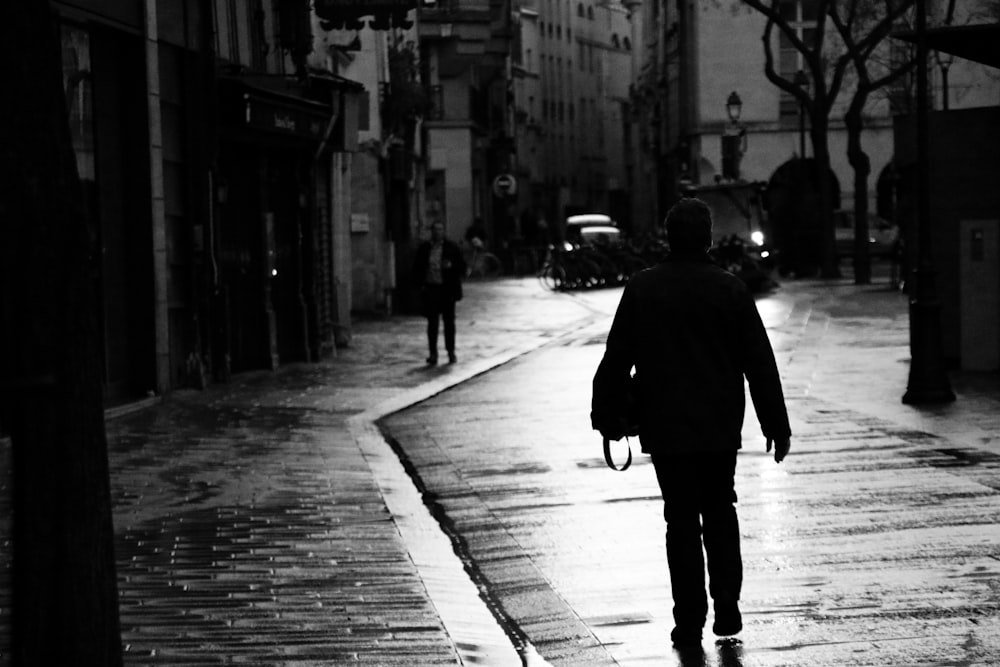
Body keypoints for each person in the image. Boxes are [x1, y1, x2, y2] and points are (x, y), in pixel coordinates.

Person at [591, 197, 791, 648]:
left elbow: (617, 358)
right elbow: (759, 362)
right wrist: (775, 424)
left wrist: (604, 415)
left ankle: (688, 620)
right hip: (719, 425)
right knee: (721, 511)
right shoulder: (730, 289)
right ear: (708, 239)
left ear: (668, 237)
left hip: (666, 426)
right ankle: (727, 606)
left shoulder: (643, 288)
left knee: (679, 521)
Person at [412, 221, 466, 365]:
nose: (438, 232)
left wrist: (451, 266)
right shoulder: (425, 248)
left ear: (444, 231)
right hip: (431, 288)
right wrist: (420, 286)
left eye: (440, 229)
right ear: (432, 232)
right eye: (435, 229)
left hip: (447, 289)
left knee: (449, 323)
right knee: (432, 323)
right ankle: (433, 353)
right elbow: (417, 268)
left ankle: (450, 351)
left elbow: (461, 267)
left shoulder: (451, 248)